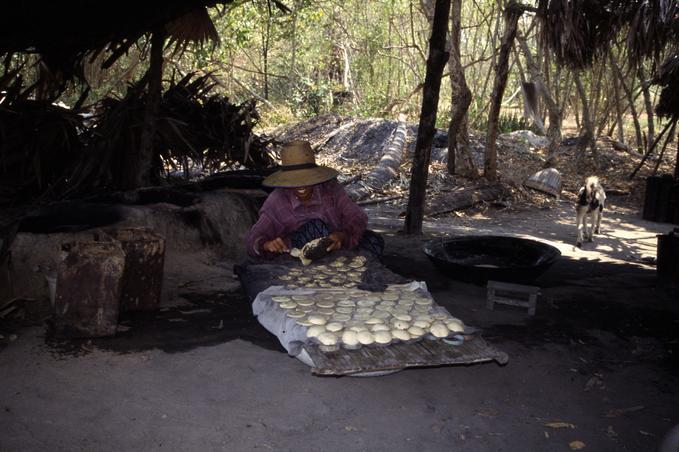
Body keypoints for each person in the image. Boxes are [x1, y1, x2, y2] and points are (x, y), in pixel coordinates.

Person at [246, 140, 383, 258]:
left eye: (306, 178)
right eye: (295, 180)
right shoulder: (277, 200)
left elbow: (358, 217)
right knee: (316, 228)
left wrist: (343, 235)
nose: (301, 185)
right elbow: (253, 240)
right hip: (297, 256)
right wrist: (266, 244)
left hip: (336, 247)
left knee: (373, 241)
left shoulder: (331, 189)